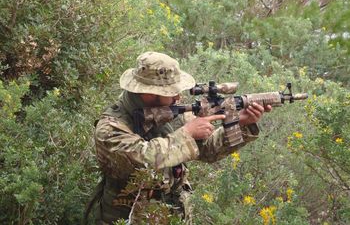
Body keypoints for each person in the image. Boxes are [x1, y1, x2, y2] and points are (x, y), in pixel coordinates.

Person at [88, 51, 271, 224]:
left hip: (172, 214)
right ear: (150, 93)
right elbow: (143, 160)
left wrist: (241, 123)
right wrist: (187, 133)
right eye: (171, 92)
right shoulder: (111, 128)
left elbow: (207, 150)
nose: (178, 96)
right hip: (128, 218)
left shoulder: (170, 111)